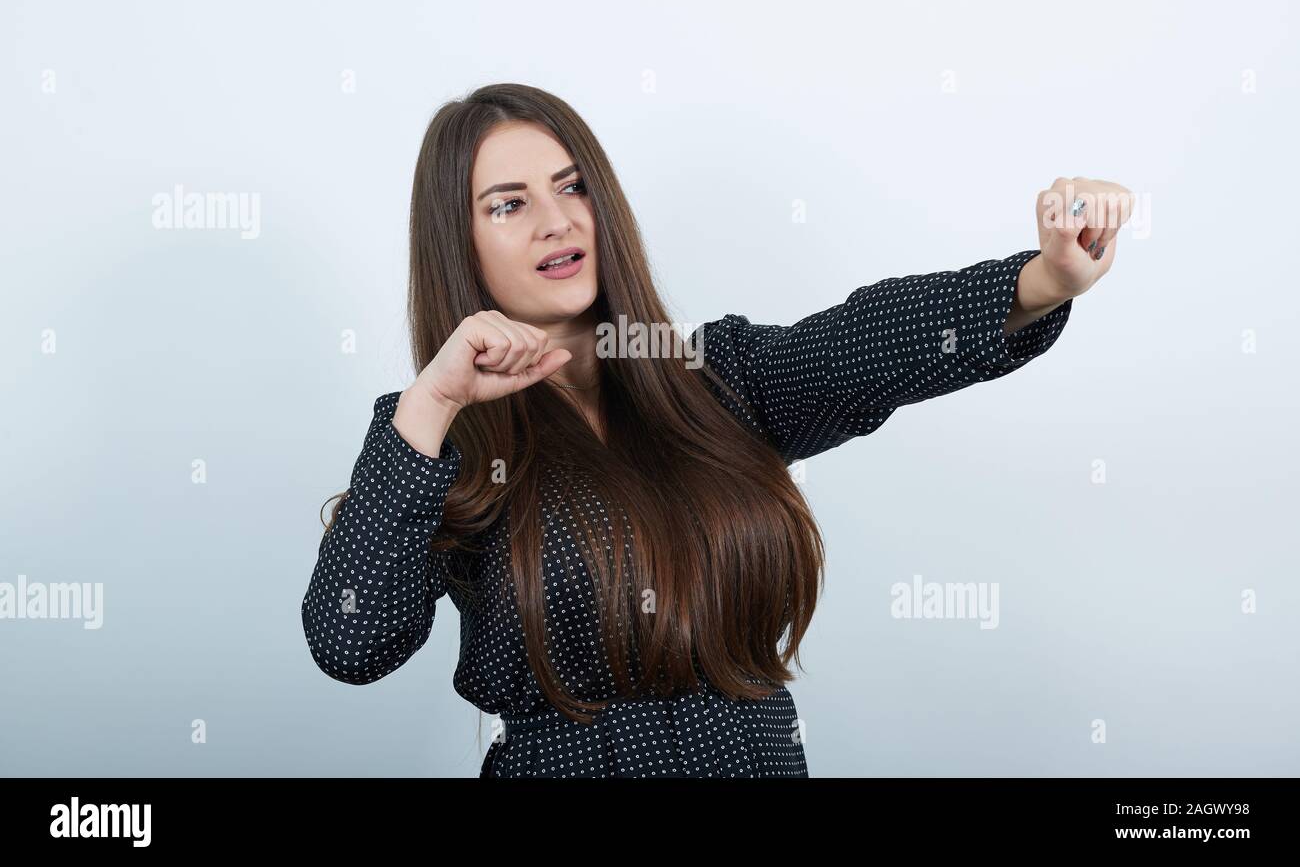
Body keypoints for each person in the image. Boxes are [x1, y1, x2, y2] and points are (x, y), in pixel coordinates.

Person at [300, 82, 1129, 777]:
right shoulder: (436, 440)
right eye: (508, 205)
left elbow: (866, 342)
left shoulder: (714, 378)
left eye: (572, 185)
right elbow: (350, 641)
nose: (556, 220)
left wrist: (1042, 279)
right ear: (461, 245)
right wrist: (431, 404)